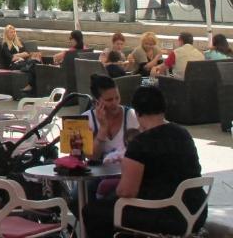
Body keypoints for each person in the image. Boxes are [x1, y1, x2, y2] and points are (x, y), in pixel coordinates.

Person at [82, 85, 206, 237]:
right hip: (195, 211)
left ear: (138, 112)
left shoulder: (141, 142)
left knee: (93, 211)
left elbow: (127, 191)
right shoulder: (183, 134)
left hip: (165, 215)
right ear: (163, 107)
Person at [0, 24, 41, 93]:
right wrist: (20, 55)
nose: (13, 34)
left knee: (34, 64)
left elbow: (27, 53)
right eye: (11, 32)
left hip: (22, 62)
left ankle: (31, 84)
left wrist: (16, 55)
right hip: (13, 65)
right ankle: (31, 84)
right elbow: (12, 58)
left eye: (14, 32)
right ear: (6, 34)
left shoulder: (18, 43)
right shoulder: (5, 45)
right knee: (33, 63)